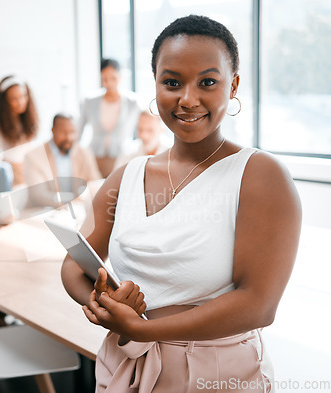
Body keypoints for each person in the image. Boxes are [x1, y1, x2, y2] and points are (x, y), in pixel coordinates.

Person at [61, 15, 302, 392]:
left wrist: (142, 327)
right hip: (127, 365)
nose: (188, 99)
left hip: (215, 374)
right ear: (154, 85)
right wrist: (102, 300)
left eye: (208, 82)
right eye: (171, 82)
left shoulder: (259, 175)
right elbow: (75, 263)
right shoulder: (127, 176)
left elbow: (258, 305)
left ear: (233, 85)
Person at [78, 59, 141, 178]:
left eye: (113, 78)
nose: (109, 83)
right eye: (104, 79)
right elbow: (78, 131)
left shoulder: (133, 102)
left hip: (123, 157)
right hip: (95, 157)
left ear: (120, 77)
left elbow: (143, 127)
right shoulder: (89, 101)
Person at [23, 113, 101, 208]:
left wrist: (84, 194)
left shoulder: (84, 153)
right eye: (63, 132)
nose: (68, 137)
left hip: (78, 210)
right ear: (53, 130)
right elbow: (38, 194)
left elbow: (94, 183)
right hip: (45, 211)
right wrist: (71, 199)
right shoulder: (33, 156)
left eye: (72, 132)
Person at [0, 75, 40, 186]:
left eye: (23, 96)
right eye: (14, 99)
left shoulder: (28, 122)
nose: (21, 102)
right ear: (5, 101)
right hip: (11, 182)